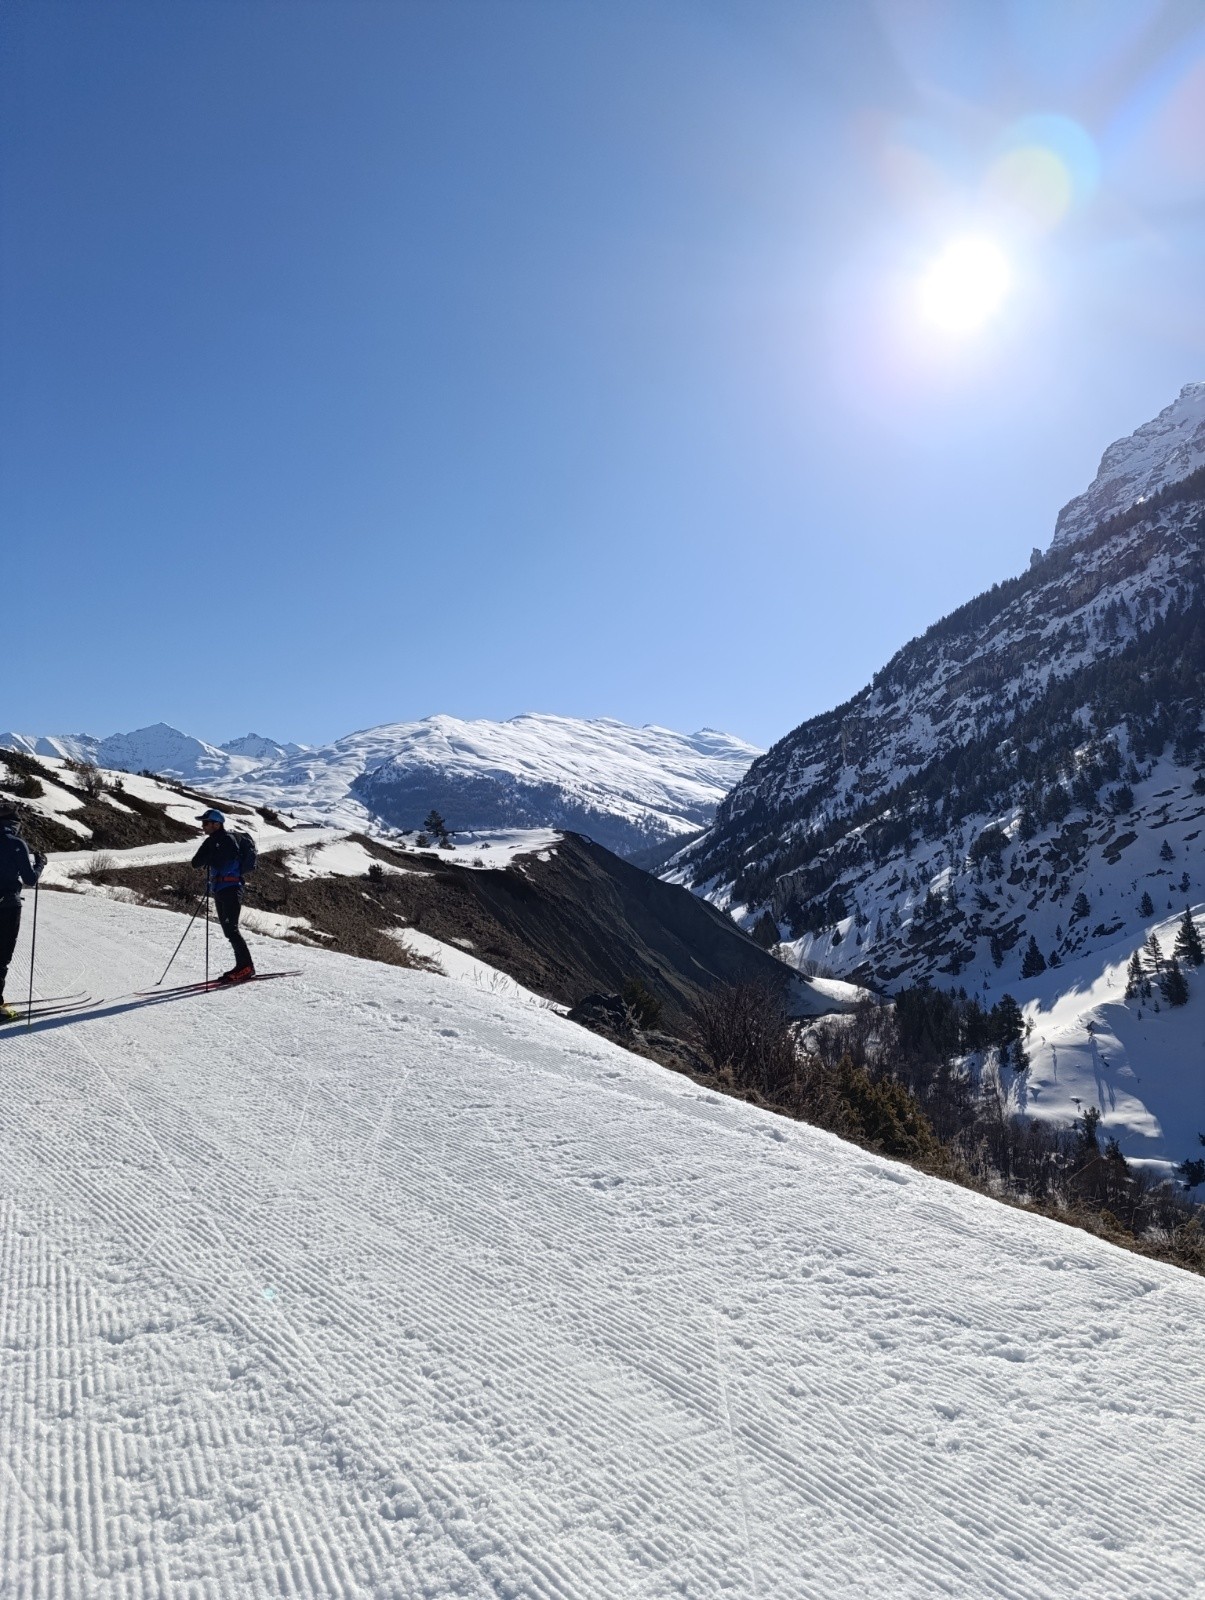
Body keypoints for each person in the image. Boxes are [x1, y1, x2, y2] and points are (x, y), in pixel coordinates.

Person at [191, 808, 254, 983]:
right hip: (219, 889)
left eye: (206, 823)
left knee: (232, 929)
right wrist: (210, 853)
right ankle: (242, 966)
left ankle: (246, 967)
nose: (203, 826)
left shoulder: (227, 840)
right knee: (228, 931)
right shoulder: (210, 842)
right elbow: (195, 863)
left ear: (216, 824)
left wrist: (210, 856)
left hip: (232, 888)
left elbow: (225, 861)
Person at [0, 807, 46, 1020]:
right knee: (1, 957)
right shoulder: (17, 844)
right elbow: (29, 879)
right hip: (8, 906)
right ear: (16, 824)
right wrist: (40, 864)